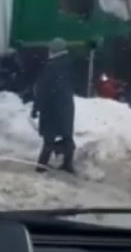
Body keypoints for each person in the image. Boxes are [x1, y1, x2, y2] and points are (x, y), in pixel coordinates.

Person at [31, 38, 76, 174]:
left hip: (51, 108)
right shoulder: (70, 64)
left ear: (54, 50)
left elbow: (42, 90)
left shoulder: (51, 67)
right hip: (67, 106)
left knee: (48, 139)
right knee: (67, 136)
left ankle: (41, 167)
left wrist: (36, 108)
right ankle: (67, 164)